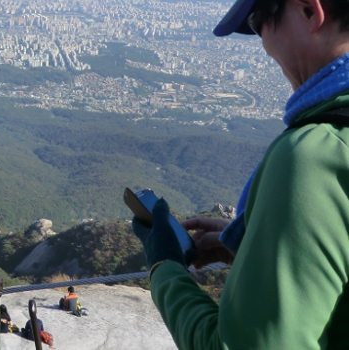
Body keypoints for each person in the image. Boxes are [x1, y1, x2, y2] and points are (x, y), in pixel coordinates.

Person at [131, 1, 349, 348]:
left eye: (258, 19)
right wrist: (255, 248)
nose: (262, 42)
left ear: (310, 10)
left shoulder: (314, 157)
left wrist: (164, 267)